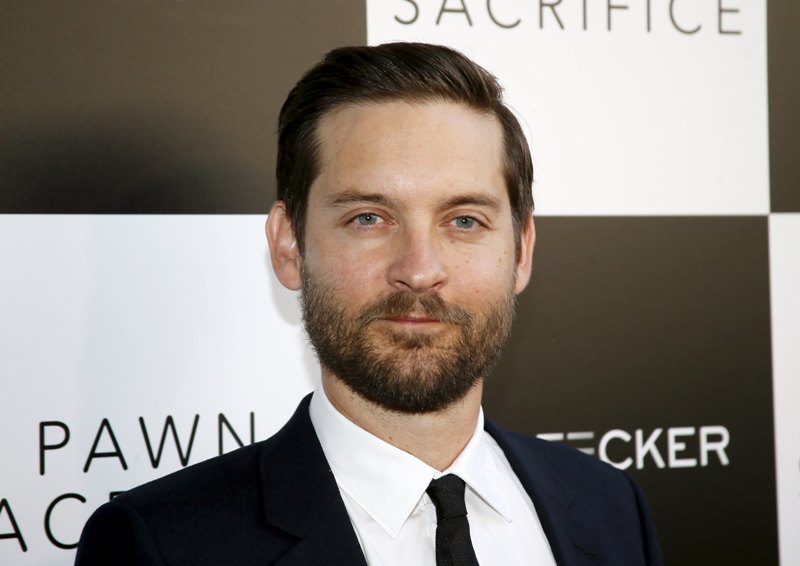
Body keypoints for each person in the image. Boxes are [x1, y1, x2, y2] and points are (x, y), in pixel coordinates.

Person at [75, 42, 663, 566]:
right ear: (289, 246)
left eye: (464, 220)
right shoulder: (162, 545)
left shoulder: (609, 506)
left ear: (522, 250)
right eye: (368, 218)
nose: (419, 270)